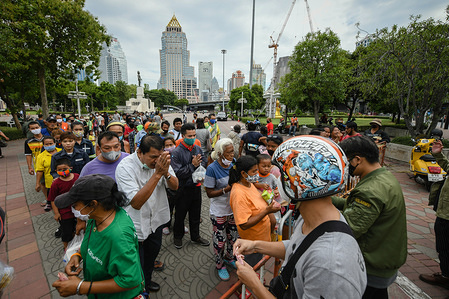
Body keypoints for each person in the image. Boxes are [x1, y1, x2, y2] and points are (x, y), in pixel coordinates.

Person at [234, 135, 367, 298]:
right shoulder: (316, 218)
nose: (278, 181)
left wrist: (254, 284)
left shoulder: (330, 265)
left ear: (299, 180)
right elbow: (299, 246)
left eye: (282, 176)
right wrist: (255, 245)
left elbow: (314, 255)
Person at [333, 136, 407, 298]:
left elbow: (350, 228)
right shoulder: (383, 177)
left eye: (345, 161)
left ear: (357, 160)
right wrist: (329, 200)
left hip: (371, 265)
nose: (343, 167)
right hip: (383, 258)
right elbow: (356, 208)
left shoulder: (370, 190)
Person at [52, 174, 145, 298]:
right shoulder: (95, 217)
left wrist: (81, 287)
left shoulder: (119, 236)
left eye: (75, 205)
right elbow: (91, 241)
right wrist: (78, 255)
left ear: (93, 204)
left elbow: (130, 280)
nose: (72, 208)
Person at [116, 135, 178, 293]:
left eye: (160, 156)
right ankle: (137, 290)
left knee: (151, 257)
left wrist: (166, 174)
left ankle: (147, 281)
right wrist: (158, 174)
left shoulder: (161, 162)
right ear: (139, 152)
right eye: (153, 157)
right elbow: (136, 203)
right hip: (134, 227)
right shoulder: (125, 167)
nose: (157, 161)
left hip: (155, 222)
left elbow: (175, 186)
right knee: (136, 263)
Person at [229, 155, 280, 266]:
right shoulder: (238, 194)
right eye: (254, 171)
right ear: (243, 173)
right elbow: (244, 224)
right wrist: (267, 211)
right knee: (251, 268)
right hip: (252, 243)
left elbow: (257, 200)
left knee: (258, 264)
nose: (257, 174)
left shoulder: (249, 184)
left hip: (261, 239)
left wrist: (269, 200)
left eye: (257, 170)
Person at [204, 139, 238, 281]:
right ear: (220, 153)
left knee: (234, 237)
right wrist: (226, 189)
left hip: (233, 209)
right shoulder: (212, 169)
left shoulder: (234, 163)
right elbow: (209, 193)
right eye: (229, 152)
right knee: (220, 239)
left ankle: (230, 258)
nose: (232, 154)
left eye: (232, 151)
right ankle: (219, 265)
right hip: (219, 211)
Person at [171, 123, 209, 249]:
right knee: (180, 215)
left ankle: (195, 236)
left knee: (195, 214)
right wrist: (192, 165)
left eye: (194, 135)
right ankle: (178, 237)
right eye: (189, 135)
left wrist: (200, 165)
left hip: (196, 186)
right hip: (182, 189)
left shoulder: (197, 148)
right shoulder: (176, 152)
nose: (192, 138)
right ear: (182, 136)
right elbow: (177, 173)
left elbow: (203, 161)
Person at [419, 137, 449, 289]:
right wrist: (438, 154)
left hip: (447, 216)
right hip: (444, 212)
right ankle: (445, 275)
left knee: (445, 247)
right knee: (442, 247)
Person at [47, 158, 79, 250]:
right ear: (56, 171)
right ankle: (66, 247)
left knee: (77, 228)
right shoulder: (56, 183)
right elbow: (53, 200)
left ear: (70, 168)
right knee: (67, 231)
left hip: (78, 209)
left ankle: (76, 245)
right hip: (65, 212)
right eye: (59, 170)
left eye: (64, 169)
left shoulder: (77, 177)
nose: (62, 171)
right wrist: (56, 213)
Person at [35, 136, 62, 211]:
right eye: (46, 144)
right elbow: (39, 171)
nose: (49, 145)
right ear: (43, 145)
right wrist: (37, 183)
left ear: (55, 143)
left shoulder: (61, 151)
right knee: (53, 198)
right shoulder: (41, 156)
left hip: (64, 178)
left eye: (51, 143)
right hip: (50, 181)